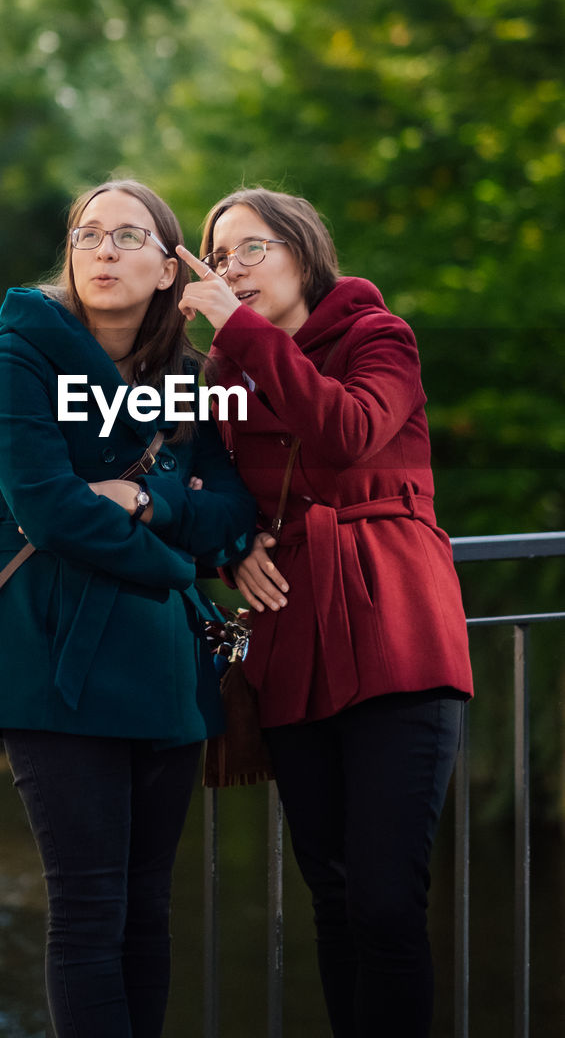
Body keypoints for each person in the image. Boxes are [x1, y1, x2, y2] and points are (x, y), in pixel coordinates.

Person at [176, 186, 473, 1038]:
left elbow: (344, 431)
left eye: (252, 249)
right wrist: (226, 550)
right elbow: (203, 494)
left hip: (396, 631)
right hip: (293, 643)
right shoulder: (222, 379)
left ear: (303, 252)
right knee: (334, 898)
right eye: (220, 254)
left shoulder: (378, 337)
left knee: (385, 902)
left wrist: (240, 334)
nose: (233, 268)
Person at [0, 178, 255, 1038]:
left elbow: (230, 510)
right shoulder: (19, 354)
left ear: (170, 269)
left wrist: (146, 505)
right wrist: (178, 554)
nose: (102, 250)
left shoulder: (189, 377)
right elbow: (50, 510)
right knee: (89, 912)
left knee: (145, 912)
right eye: (88, 234)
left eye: (128, 237)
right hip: (57, 657)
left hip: (167, 667)